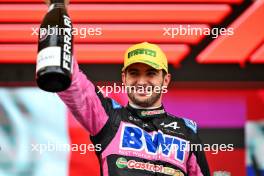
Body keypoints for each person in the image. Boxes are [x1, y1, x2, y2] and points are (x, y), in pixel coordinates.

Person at [44, 1, 210, 175]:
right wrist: (58, 8)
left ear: (165, 80)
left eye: (151, 73)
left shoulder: (187, 131)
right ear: (124, 78)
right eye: (134, 73)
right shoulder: (108, 118)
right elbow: (73, 83)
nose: (141, 81)